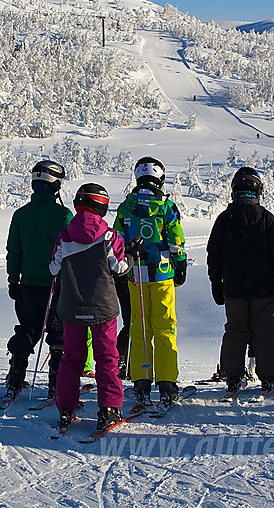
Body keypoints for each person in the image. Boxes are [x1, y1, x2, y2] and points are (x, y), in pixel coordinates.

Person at [50, 184, 141, 431]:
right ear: (102, 205)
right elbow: (120, 268)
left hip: (71, 307)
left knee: (72, 359)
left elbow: (53, 269)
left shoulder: (65, 234)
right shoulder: (109, 235)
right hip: (103, 308)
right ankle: (109, 410)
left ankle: (66, 409)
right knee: (107, 358)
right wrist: (132, 253)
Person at [207, 167, 274, 393]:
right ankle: (269, 377)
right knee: (265, 329)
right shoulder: (266, 218)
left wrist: (216, 283)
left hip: (234, 288)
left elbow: (214, 255)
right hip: (262, 288)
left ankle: (232, 376)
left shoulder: (225, 218)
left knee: (235, 329)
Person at [114, 156, 187, 406]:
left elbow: (118, 240)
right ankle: (167, 383)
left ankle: (141, 382)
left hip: (135, 275)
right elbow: (176, 240)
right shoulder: (166, 206)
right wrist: (181, 265)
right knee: (165, 326)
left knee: (139, 325)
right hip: (162, 274)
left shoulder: (126, 207)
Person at [5, 160, 73, 400]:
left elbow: (14, 250)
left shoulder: (21, 214)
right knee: (58, 333)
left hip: (28, 284)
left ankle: (15, 377)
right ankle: (56, 383)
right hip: (58, 286)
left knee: (27, 329)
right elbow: (70, 250)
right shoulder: (64, 214)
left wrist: (13, 279)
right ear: (55, 185)